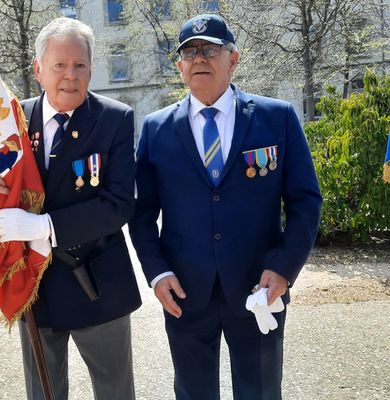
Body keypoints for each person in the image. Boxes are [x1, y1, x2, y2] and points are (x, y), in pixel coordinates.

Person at [128, 14, 322, 400]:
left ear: (232, 59)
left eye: (210, 49)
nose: (200, 58)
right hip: (184, 291)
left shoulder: (276, 118)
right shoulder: (155, 129)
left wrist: (283, 268)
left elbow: (305, 200)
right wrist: (157, 272)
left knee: (262, 392)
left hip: (259, 287)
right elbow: (142, 212)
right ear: (180, 67)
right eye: (190, 51)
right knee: (193, 392)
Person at [0, 17, 141, 400]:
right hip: (36, 285)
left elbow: (119, 204)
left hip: (96, 283)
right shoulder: (11, 121)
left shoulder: (114, 119)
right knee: (44, 393)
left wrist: (46, 226)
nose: (70, 75)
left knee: (115, 392)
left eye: (80, 65)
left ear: (91, 69)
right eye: (60, 65)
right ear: (38, 69)